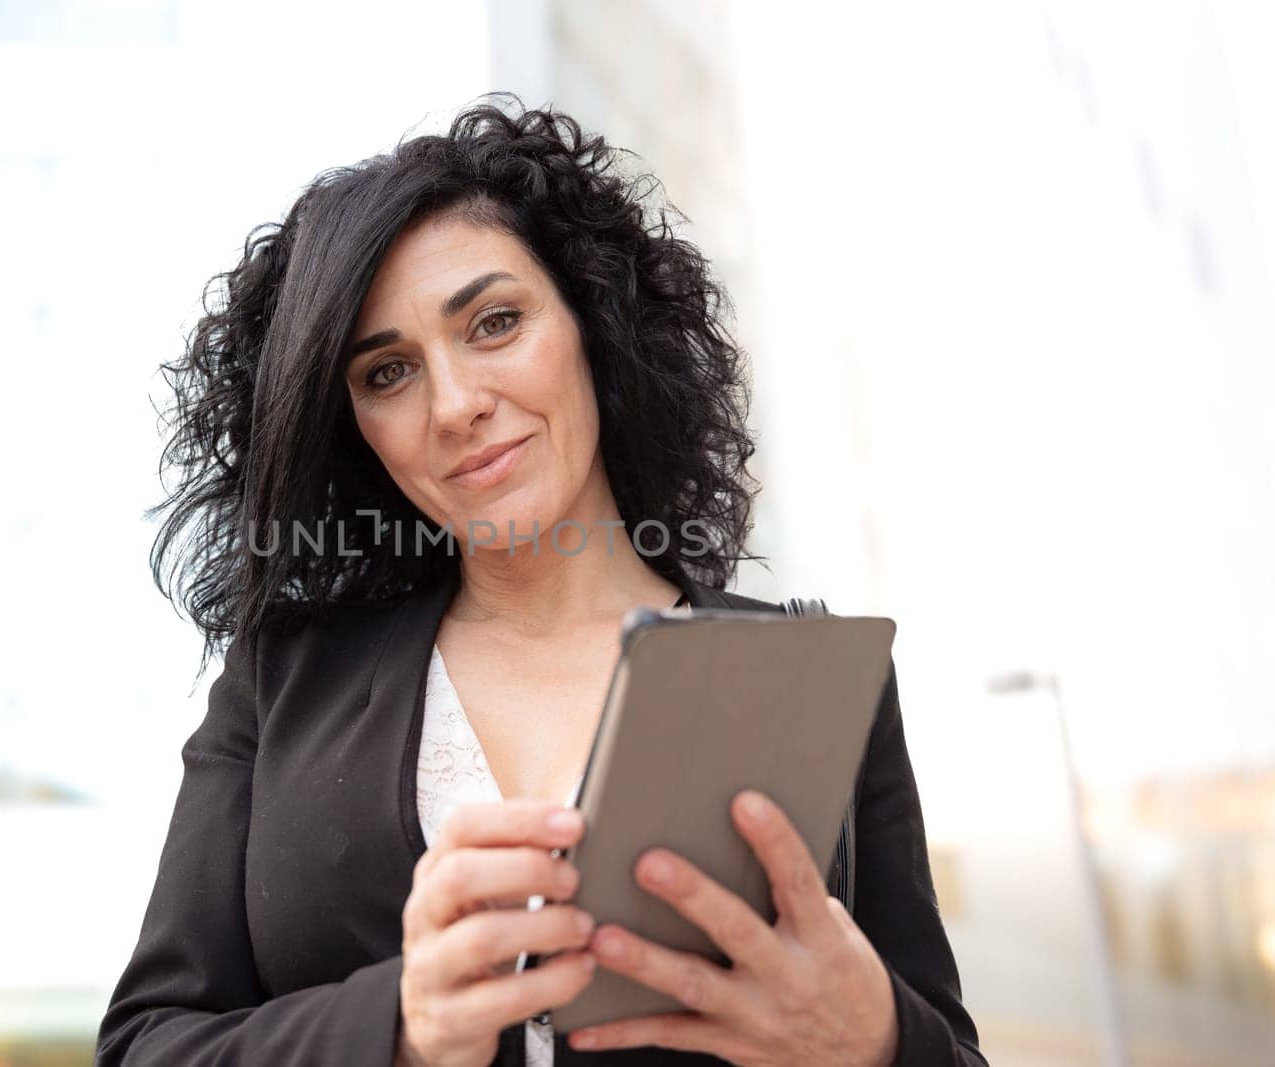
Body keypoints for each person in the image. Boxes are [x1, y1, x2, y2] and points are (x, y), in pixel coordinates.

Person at [97, 96, 988, 1066]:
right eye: (387, 373)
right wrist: (399, 1027)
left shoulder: (807, 683)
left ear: (591, 324)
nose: (456, 404)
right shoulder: (280, 685)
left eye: (494, 321)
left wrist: (878, 1040)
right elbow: (145, 1044)